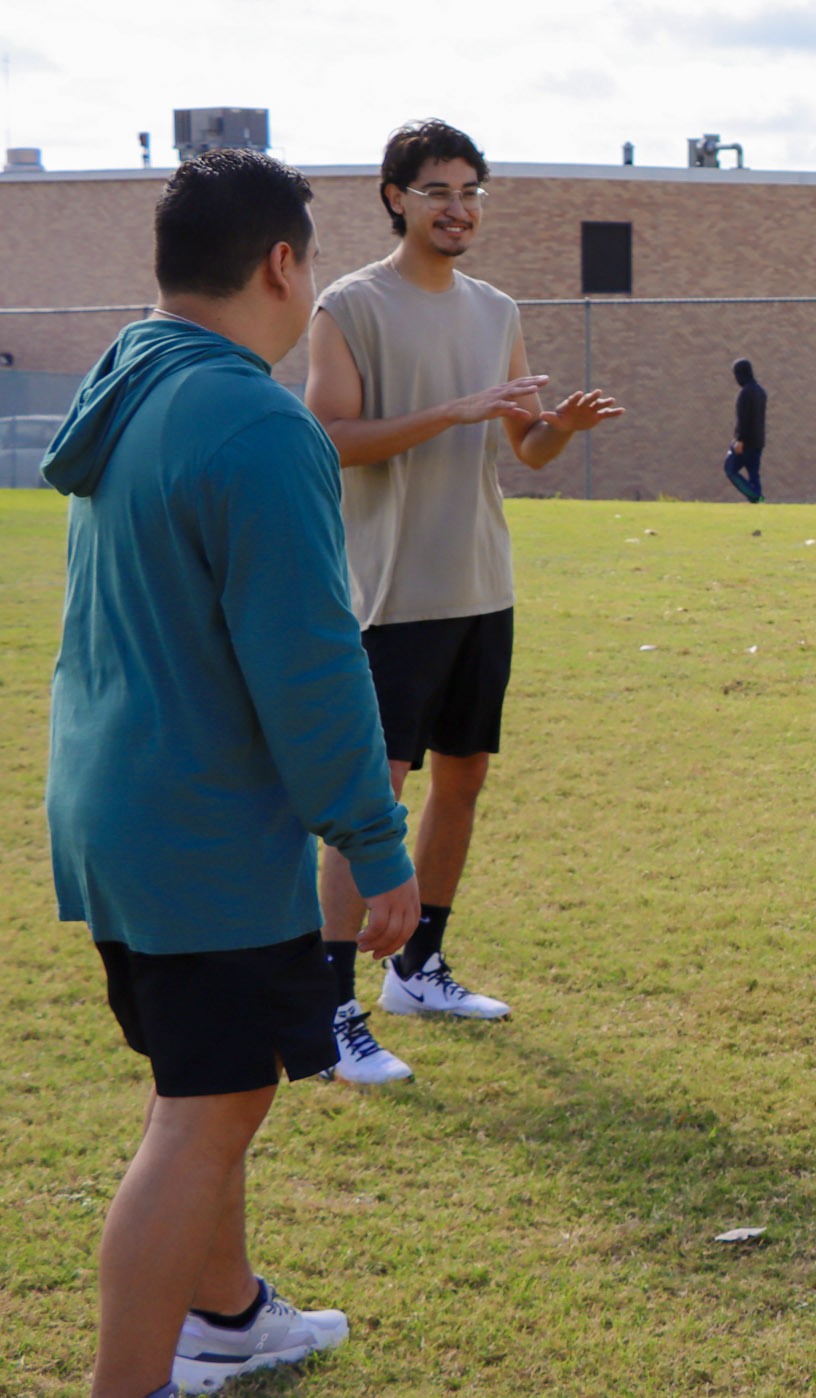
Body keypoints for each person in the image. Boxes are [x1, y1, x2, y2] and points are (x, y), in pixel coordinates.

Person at [42, 149, 421, 1398]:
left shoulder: (132, 379)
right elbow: (309, 663)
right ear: (281, 262)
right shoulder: (256, 419)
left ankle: (230, 1316)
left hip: (116, 811)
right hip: (194, 827)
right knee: (203, 1115)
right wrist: (375, 845)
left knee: (211, 1090)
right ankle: (134, 1380)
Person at [306, 119, 621, 1083]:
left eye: (472, 189)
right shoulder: (348, 306)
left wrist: (554, 430)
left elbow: (520, 448)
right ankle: (328, 1009)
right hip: (392, 596)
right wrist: (452, 411)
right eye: (439, 189)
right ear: (396, 196)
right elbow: (330, 437)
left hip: (481, 585)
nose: (459, 207)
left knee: (465, 776)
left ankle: (418, 966)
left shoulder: (496, 309)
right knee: (375, 799)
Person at [722, 357, 767, 502]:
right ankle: (757, 500)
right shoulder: (761, 391)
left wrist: (739, 440)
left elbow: (744, 419)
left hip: (746, 441)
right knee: (754, 474)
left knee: (730, 469)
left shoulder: (746, 393)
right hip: (759, 440)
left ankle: (754, 496)